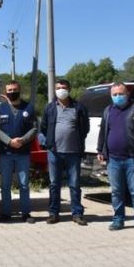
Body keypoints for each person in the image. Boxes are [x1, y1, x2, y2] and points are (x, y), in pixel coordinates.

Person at [97, 82, 134, 233]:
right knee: (116, 191)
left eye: (120, 94)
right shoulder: (108, 110)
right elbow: (103, 131)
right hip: (113, 159)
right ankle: (118, 219)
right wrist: (100, 150)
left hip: (133, 159)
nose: (118, 97)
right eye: (114, 94)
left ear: (127, 94)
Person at [40, 79, 90, 225]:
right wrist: (48, 143)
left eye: (64, 87)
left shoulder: (79, 108)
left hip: (73, 152)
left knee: (74, 184)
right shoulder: (49, 108)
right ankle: (53, 213)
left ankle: (77, 213)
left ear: (69, 89)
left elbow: (84, 128)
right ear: (55, 90)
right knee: (54, 184)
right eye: (58, 87)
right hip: (54, 152)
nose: (61, 90)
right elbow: (43, 127)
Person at [0, 80, 37, 223]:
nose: (12, 92)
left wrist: (23, 140)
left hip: (23, 153)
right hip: (5, 153)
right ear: (6, 92)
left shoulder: (29, 108)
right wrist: (9, 141)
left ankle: (26, 213)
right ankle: (6, 213)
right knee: (5, 185)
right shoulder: (0, 108)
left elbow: (34, 128)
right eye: (9, 90)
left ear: (19, 90)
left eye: (14, 90)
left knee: (24, 184)